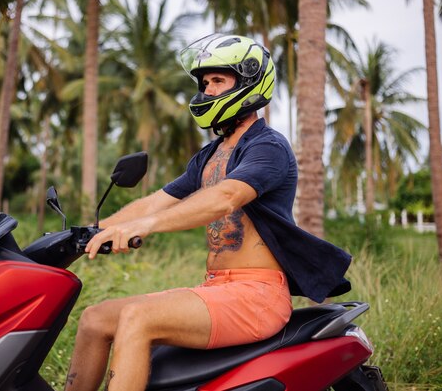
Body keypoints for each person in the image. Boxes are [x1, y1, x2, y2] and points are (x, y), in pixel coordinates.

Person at [64, 33, 351, 391]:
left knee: (137, 318)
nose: (208, 91)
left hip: (256, 294)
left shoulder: (268, 146)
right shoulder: (209, 155)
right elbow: (158, 200)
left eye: (218, 81)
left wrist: (145, 226)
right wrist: (85, 233)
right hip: (217, 288)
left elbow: (225, 197)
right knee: (94, 319)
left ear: (248, 83)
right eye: (205, 83)